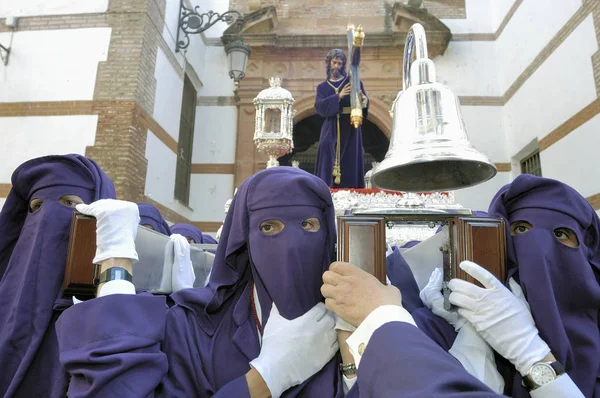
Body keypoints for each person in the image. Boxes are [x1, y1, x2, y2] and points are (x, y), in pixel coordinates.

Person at [55, 167, 342, 397]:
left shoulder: (352, 319)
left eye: (307, 225)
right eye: (269, 227)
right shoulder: (192, 327)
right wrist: (268, 377)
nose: (290, 245)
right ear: (244, 241)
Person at [420, 175, 594, 397]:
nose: (539, 249)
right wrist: (471, 334)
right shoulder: (441, 327)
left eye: (561, 234)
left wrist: (527, 350)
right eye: (521, 229)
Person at [0, 154, 116, 397]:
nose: (47, 216)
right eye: (37, 207)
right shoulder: (6, 292)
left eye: (69, 204)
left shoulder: (112, 301)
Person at [315, 48, 369, 188]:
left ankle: (351, 188)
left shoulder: (353, 82)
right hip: (330, 126)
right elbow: (320, 107)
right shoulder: (322, 87)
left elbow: (362, 102)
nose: (337, 66)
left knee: (351, 157)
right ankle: (326, 187)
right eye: (334, 62)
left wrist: (364, 102)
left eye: (340, 63)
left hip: (350, 127)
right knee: (326, 147)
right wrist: (338, 96)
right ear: (329, 63)